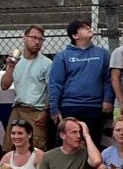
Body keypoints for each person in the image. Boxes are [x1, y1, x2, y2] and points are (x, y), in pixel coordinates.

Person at [47, 16, 110, 157]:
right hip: (69, 106)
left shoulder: (103, 54)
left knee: (92, 144)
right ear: (75, 35)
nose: (88, 28)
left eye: (88, 26)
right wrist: (54, 108)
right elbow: (55, 83)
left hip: (95, 107)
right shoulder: (62, 56)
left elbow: (108, 79)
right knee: (66, 145)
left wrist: (108, 99)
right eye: (83, 27)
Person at [0, 24, 52, 150]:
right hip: (17, 109)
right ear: (24, 38)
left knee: (37, 149)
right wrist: (10, 67)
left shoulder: (48, 64)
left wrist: (45, 112)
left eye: (40, 39)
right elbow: (4, 85)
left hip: (36, 112)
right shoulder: (16, 61)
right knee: (9, 148)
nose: (37, 42)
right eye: (33, 38)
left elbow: (51, 91)